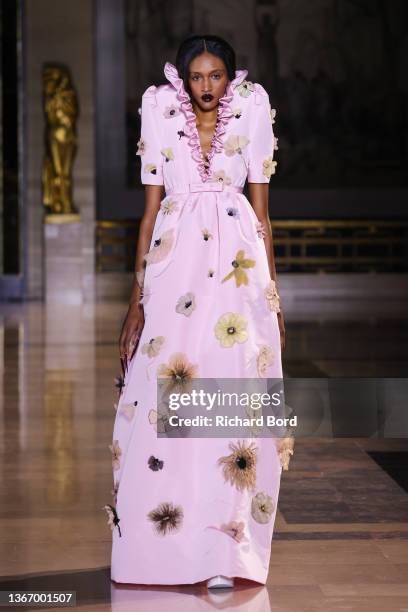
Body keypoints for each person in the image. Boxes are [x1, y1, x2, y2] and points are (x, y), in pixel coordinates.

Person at [106, 34, 292, 589]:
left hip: (238, 273)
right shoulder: (158, 111)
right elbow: (148, 213)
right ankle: (163, 548)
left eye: (216, 76)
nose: (207, 87)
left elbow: (262, 211)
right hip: (174, 268)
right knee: (165, 398)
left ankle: (225, 549)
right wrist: (135, 303)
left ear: (230, 78)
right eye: (197, 77)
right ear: (182, 79)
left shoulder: (253, 107)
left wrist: (273, 293)